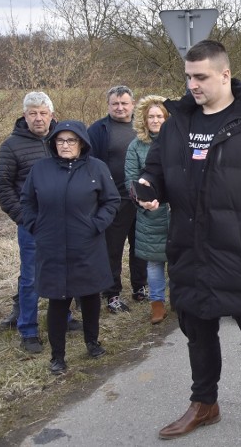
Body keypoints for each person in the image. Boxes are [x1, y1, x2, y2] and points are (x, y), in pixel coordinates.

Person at [138, 40, 241, 444]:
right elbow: (155, 168)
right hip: (190, 252)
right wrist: (148, 187)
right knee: (198, 333)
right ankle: (204, 404)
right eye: (188, 77)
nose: (192, 84)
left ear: (225, 75)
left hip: (239, 255)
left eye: (201, 76)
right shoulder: (177, 123)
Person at [20, 120, 120, 375]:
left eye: (71, 140)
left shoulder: (96, 168)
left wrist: (97, 225)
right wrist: (36, 226)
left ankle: (92, 342)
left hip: (86, 245)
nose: (65, 145)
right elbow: (27, 201)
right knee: (58, 301)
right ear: (53, 143)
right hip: (52, 247)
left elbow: (112, 200)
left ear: (82, 143)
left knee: (89, 296)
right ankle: (58, 356)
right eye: (60, 140)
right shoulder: (40, 169)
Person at [0, 92, 77, 350]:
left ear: (51, 115)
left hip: (64, 221)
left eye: (43, 113)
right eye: (33, 113)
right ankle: (28, 329)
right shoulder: (12, 146)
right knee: (31, 277)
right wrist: (23, 218)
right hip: (33, 225)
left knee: (62, 270)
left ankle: (64, 317)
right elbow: (3, 186)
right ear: (24, 116)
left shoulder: (62, 139)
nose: (38, 118)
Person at [88, 85, 147, 313]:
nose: (120, 107)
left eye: (124, 103)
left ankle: (140, 287)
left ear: (133, 104)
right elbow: (89, 164)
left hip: (140, 198)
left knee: (140, 245)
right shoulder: (99, 130)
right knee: (112, 248)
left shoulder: (141, 127)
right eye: (115, 103)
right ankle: (112, 294)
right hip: (114, 200)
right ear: (108, 105)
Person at [124, 95, 171, 325]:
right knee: (154, 262)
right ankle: (157, 304)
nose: (155, 120)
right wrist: (140, 200)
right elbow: (131, 180)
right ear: (144, 119)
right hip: (151, 213)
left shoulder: (177, 141)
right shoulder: (136, 146)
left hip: (175, 211)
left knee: (179, 259)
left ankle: (182, 300)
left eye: (159, 116)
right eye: (151, 116)